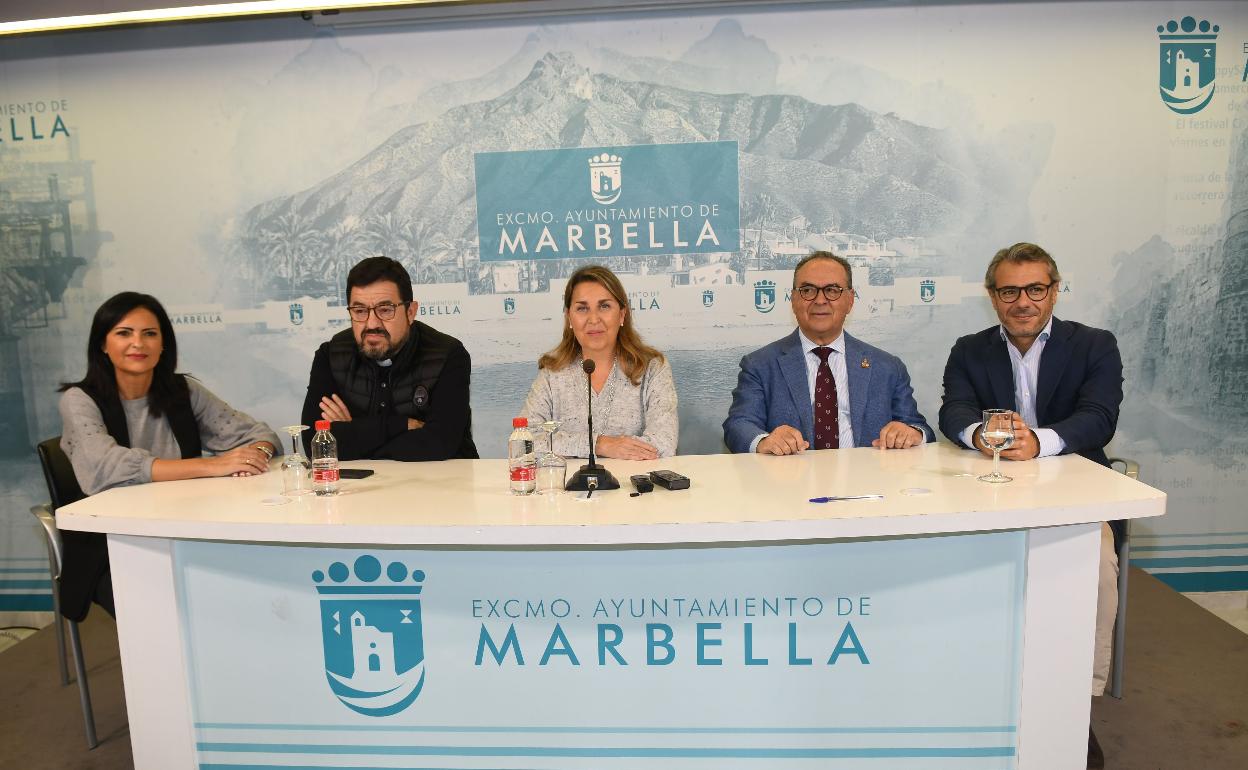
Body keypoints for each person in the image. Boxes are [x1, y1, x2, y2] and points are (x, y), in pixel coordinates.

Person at [937, 242, 1122, 770]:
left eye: (1035, 289)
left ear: (1054, 291)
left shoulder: (1094, 345)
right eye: (1010, 290)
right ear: (992, 296)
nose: (1023, 301)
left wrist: (1041, 442)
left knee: (1099, 571)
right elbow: (954, 409)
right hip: (987, 487)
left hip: (1072, 485)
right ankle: (975, 691)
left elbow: (1099, 417)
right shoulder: (969, 348)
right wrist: (981, 435)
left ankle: (1075, 703)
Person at [58, 292, 280, 621]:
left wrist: (256, 455)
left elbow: (256, 432)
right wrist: (212, 465)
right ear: (102, 345)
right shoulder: (79, 400)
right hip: (113, 544)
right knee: (164, 610)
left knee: (248, 586)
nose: (138, 343)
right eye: (124, 333)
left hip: (186, 530)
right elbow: (105, 468)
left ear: (164, 345)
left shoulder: (182, 391)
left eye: (150, 333)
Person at [723, 251, 933, 454]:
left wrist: (912, 433)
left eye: (832, 290)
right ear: (793, 300)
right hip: (791, 483)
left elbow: (919, 427)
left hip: (870, 481)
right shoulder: (760, 365)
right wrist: (764, 440)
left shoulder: (887, 367)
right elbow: (739, 425)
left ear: (850, 300)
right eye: (807, 290)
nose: (820, 300)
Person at [302, 256, 478, 460]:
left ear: (410, 312)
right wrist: (402, 425)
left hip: (442, 484)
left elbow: (439, 444)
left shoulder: (447, 355)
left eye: (385, 310)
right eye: (359, 311)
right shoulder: (331, 355)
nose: (371, 324)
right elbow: (314, 444)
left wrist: (353, 433)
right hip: (361, 488)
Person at [521, 264, 677, 459]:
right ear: (569, 317)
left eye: (604, 306)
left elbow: (664, 443)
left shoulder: (652, 368)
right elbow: (524, 441)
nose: (594, 319)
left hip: (633, 487)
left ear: (621, 314)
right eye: (582, 308)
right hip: (569, 488)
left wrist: (564, 445)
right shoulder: (552, 372)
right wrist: (598, 445)